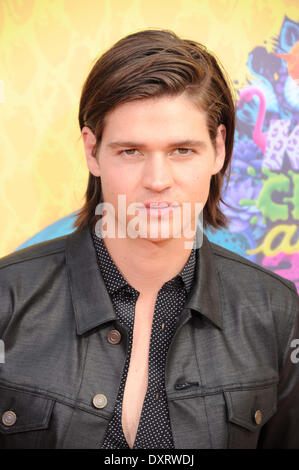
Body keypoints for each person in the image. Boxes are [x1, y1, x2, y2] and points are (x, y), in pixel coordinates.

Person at [0, 29, 298, 450]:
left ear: (219, 149)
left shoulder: (277, 311)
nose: (157, 181)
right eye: (131, 151)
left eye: (182, 151)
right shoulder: (6, 297)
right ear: (92, 151)